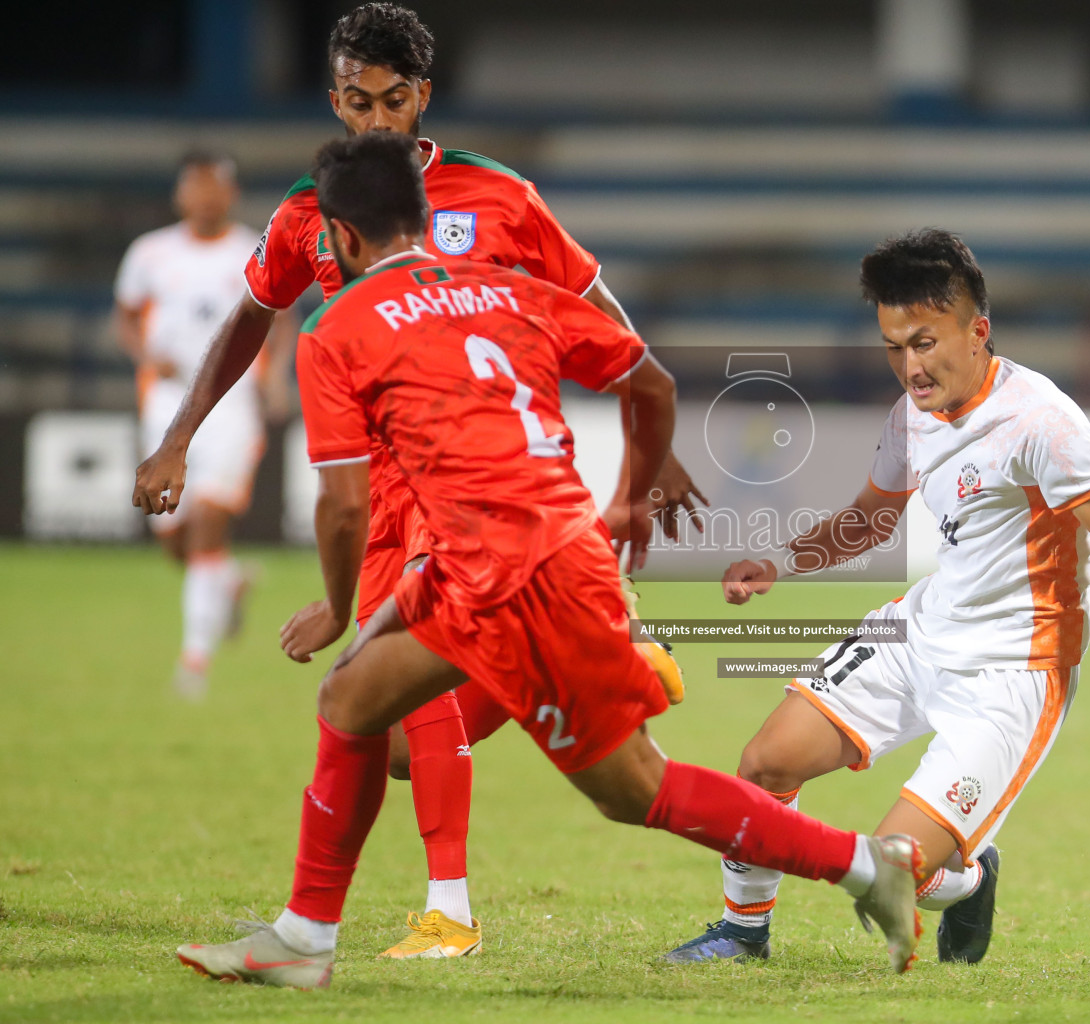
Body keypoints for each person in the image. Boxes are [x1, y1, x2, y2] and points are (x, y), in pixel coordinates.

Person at [172, 134, 922, 988]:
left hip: (521, 577)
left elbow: (343, 504)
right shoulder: (507, 291)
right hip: (509, 558)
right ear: (428, 217)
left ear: (340, 239)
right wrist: (632, 496)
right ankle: (305, 938)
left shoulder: (334, 327)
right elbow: (650, 381)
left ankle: (867, 865)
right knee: (350, 699)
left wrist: (339, 607)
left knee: (634, 790)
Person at [130, 3, 701, 958]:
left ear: (424, 98)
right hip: (376, 477)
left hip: (471, 478)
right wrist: (180, 434)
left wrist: (661, 444)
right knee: (392, 741)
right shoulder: (311, 210)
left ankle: (447, 912)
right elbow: (248, 320)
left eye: (395, 101)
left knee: (411, 690)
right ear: (335, 99)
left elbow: (592, 306)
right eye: (358, 102)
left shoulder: (498, 198)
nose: (377, 121)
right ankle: (602, 661)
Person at [663, 229, 1090, 965]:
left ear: (978, 330)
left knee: (898, 871)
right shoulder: (913, 414)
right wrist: (780, 561)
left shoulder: (1041, 422)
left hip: (1012, 672)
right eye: (895, 346)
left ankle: (968, 880)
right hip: (919, 632)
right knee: (765, 764)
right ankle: (744, 934)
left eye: (925, 342)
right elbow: (872, 519)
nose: (910, 365)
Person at [113, 150, 295, 700]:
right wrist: (146, 354)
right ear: (180, 194)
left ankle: (194, 663)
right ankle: (230, 582)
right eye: (196, 187)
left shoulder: (250, 251)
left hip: (232, 404)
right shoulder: (150, 253)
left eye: (215, 187)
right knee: (174, 540)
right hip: (166, 405)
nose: (206, 197)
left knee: (209, 525)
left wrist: (275, 377)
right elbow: (125, 315)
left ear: (231, 195)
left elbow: (279, 315)